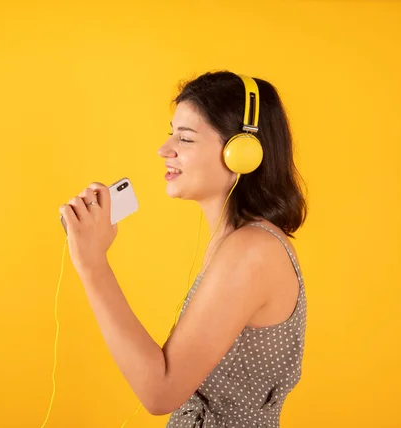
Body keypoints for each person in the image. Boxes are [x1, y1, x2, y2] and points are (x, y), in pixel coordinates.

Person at [59, 70, 308, 427]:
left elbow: (160, 391)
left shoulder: (252, 251)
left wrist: (92, 263)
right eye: (170, 133)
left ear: (243, 154)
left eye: (185, 138)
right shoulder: (237, 244)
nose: (165, 150)